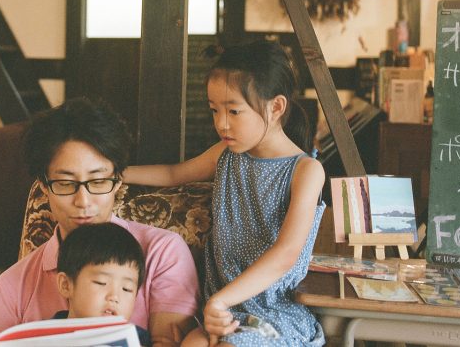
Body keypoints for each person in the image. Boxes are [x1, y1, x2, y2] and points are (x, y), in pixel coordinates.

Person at [123, 40, 326, 346]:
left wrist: (219, 301)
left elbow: (285, 255)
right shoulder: (226, 155)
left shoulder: (305, 171)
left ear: (276, 106)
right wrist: (111, 173)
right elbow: (172, 174)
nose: (221, 123)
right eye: (214, 110)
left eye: (234, 111)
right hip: (222, 312)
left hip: (273, 316)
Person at [0, 97, 199, 346]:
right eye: (66, 184)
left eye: (98, 182)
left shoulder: (162, 252)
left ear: (118, 180)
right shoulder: (14, 284)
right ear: (44, 186)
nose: (83, 201)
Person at [55, 222, 151, 346]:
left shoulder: (138, 341)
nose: (114, 297)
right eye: (101, 282)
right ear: (66, 285)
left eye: (127, 289)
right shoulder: (41, 335)